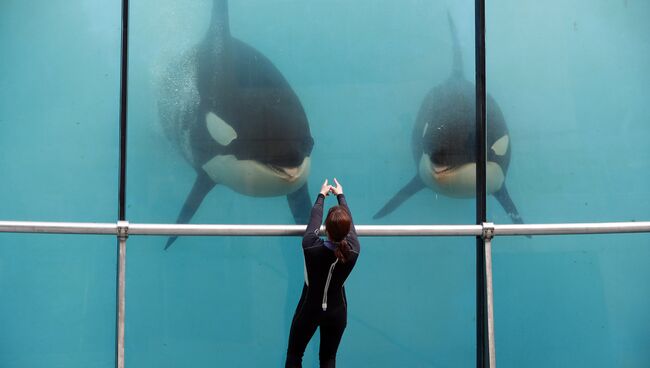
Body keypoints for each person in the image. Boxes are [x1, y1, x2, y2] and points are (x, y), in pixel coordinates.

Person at [285, 178, 361, 368]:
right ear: (346, 231)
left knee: (295, 354)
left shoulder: (310, 245)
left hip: (310, 308)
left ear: (325, 228)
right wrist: (341, 196)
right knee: (328, 358)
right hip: (337, 312)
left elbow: (314, 219)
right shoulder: (353, 250)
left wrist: (321, 196)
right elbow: (349, 224)